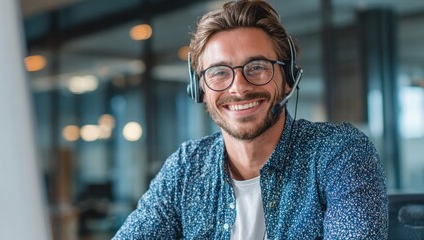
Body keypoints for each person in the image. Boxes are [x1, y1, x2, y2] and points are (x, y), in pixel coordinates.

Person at [113, 0, 388, 239]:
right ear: (200, 89)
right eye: (219, 72)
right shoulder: (187, 167)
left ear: (289, 78)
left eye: (256, 67)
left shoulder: (338, 152)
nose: (238, 87)